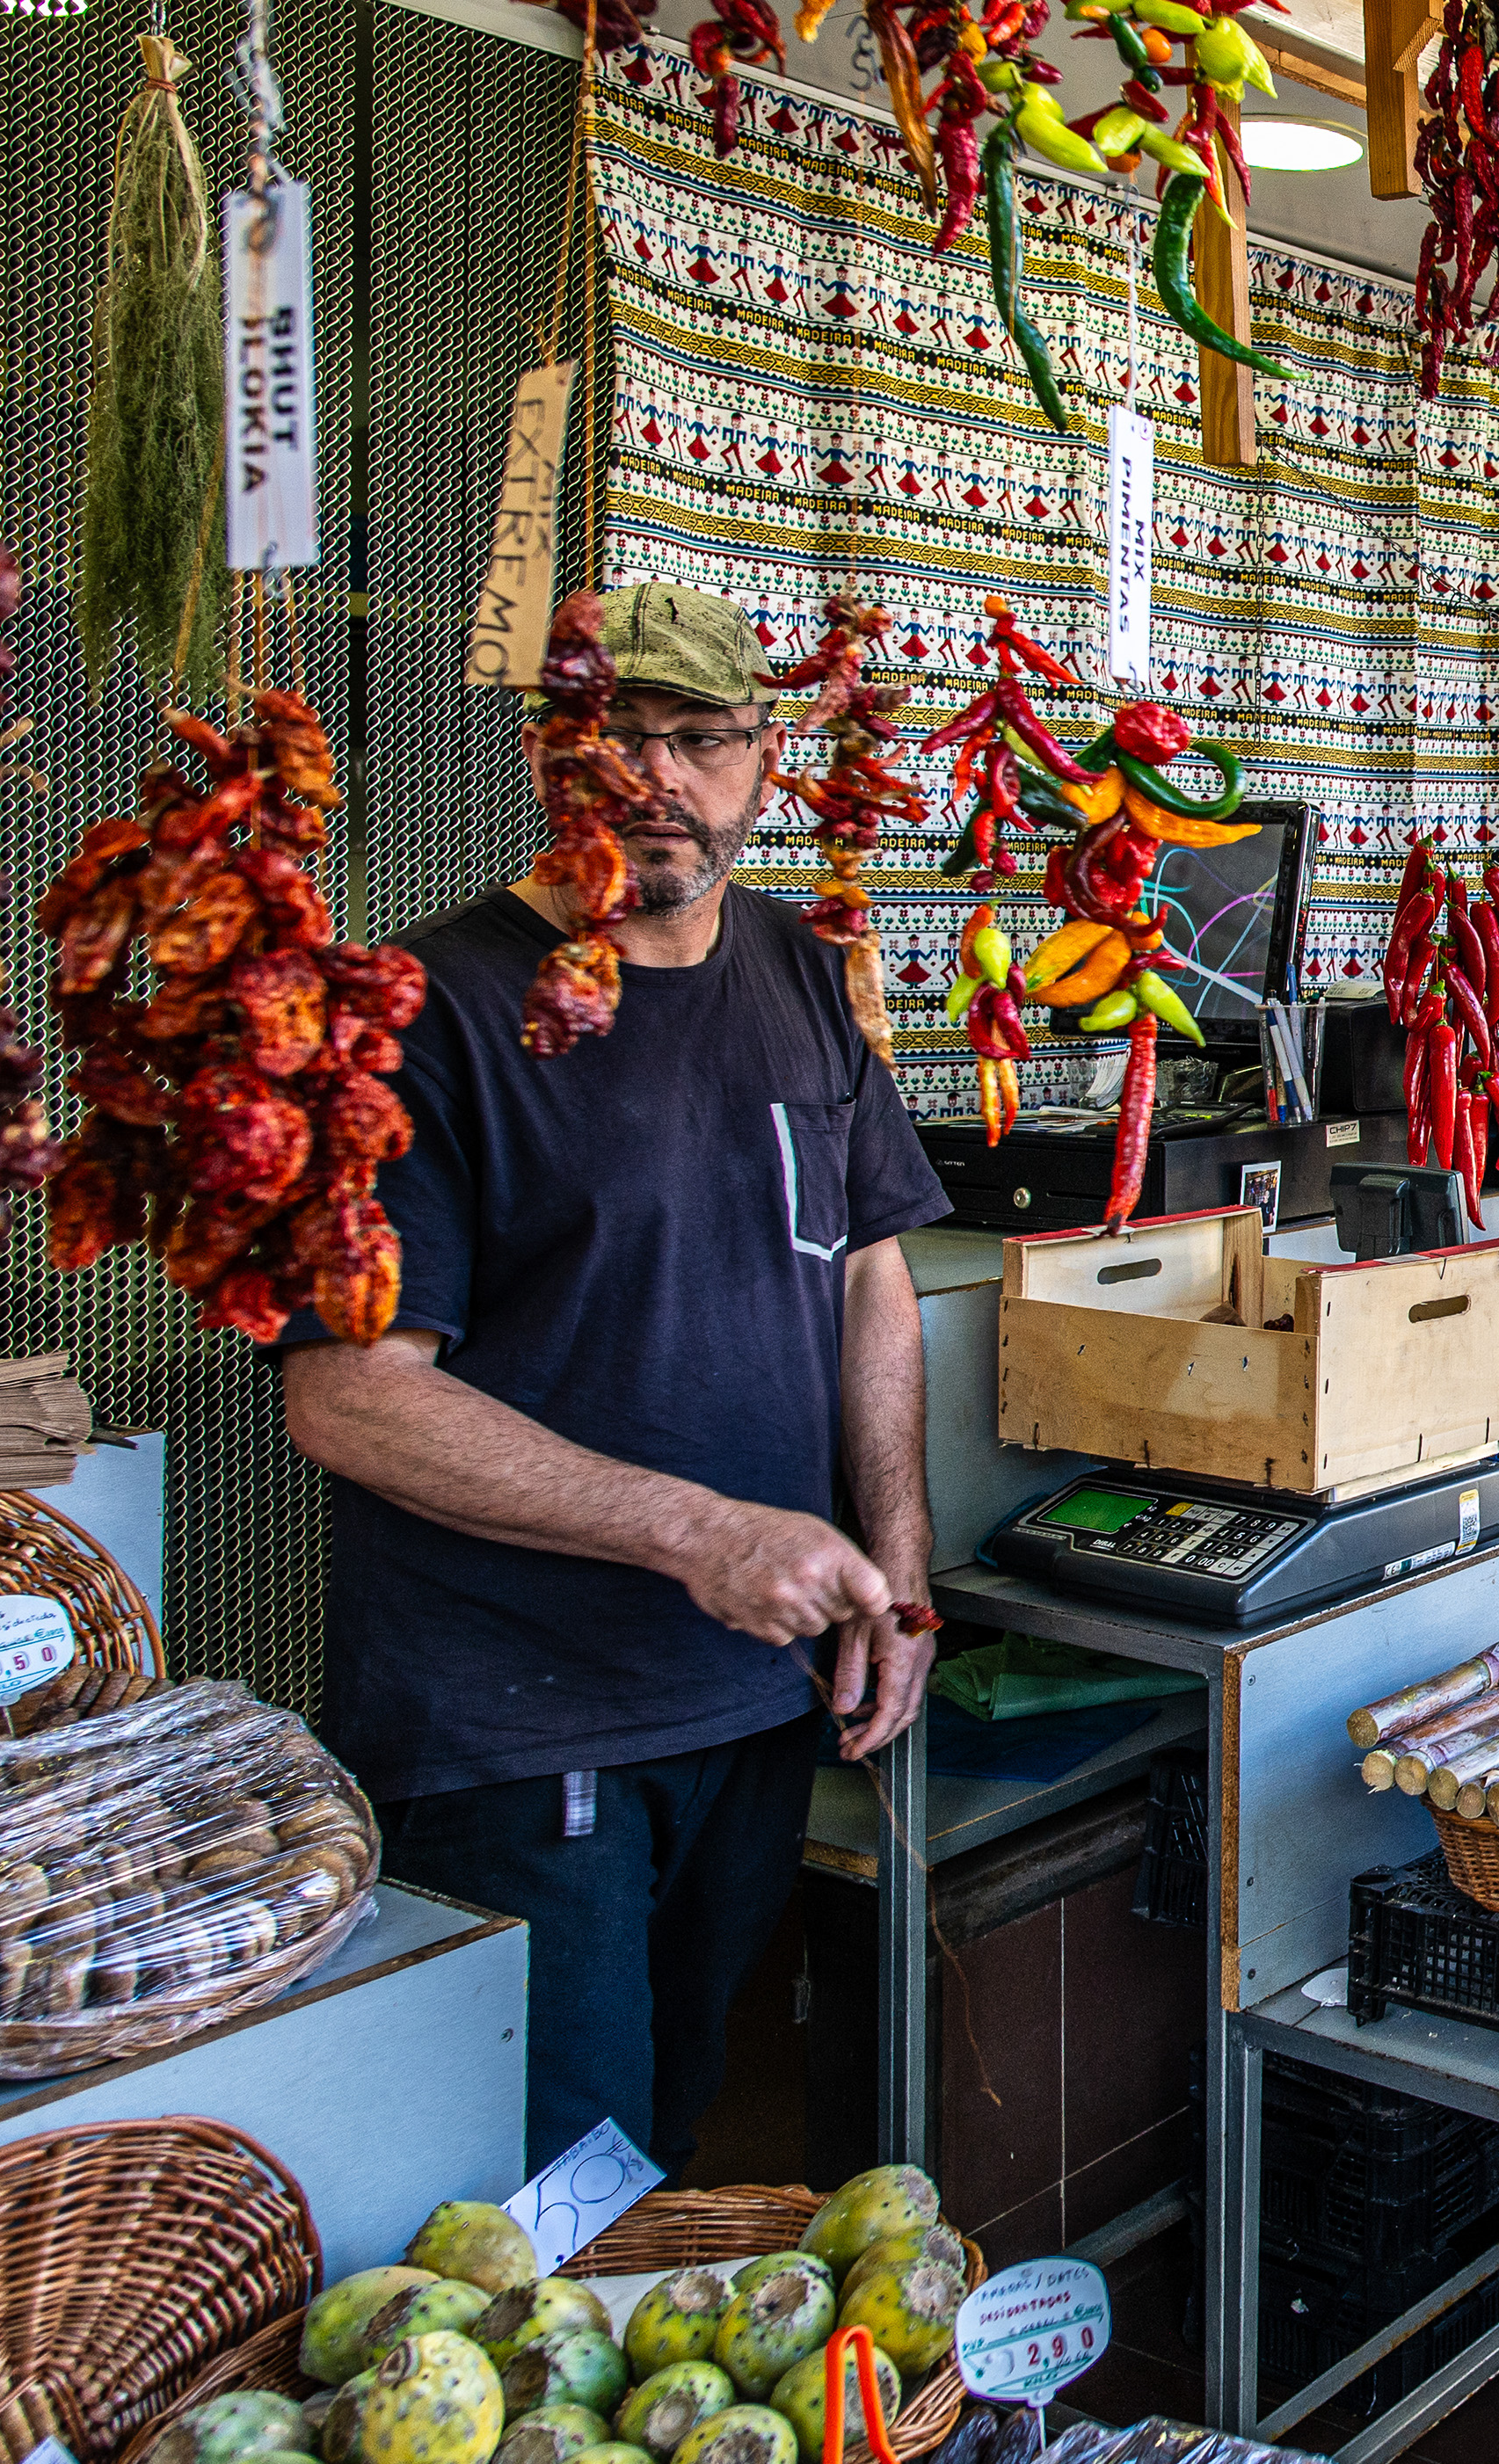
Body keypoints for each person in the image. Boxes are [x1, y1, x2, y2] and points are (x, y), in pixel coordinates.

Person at [277, 581, 950, 2172]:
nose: (655, 779)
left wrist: (902, 1575)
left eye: (699, 739)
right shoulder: (420, 1011)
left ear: (765, 761)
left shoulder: (798, 969)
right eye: (611, 740)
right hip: (517, 1720)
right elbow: (349, 1394)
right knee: (553, 2181)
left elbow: (871, 1274)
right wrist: (701, 1530)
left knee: (678, 2104)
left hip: (753, 1694)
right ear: (541, 760)